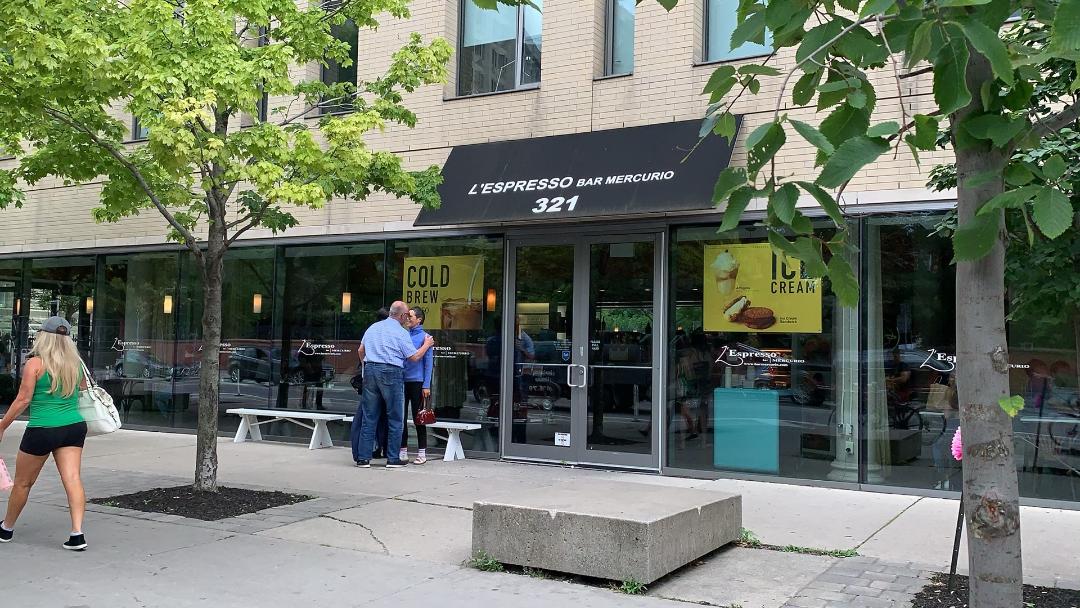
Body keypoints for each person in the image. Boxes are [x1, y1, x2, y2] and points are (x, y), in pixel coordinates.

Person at [0, 316, 89, 550]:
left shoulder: (35, 364)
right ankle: (77, 534)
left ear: (43, 337)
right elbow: (83, 390)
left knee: (23, 483)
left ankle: (6, 528)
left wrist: (2, 425)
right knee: (73, 479)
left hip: (42, 429)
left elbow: (22, 400)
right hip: (73, 427)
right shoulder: (76, 364)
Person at [353, 301, 434, 468]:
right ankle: (392, 458)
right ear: (403, 316)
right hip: (391, 372)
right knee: (396, 417)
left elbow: (361, 350)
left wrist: (366, 367)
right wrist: (426, 345)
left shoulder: (373, 328)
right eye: (407, 316)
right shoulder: (401, 332)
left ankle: (363, 458)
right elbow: (414, 357)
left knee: (369, 416)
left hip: (370, 370)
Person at [401, 307, 434, 465]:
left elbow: (429, 364)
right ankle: (403, 450)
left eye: (411, 316)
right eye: (407, 315)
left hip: (417, 382)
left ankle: (422, 452)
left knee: (418, 417)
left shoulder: (425, 337)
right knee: (400, 417)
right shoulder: (403, 335)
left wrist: (426, 385)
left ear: (419, 319)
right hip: (402, 380)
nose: (407, 318)